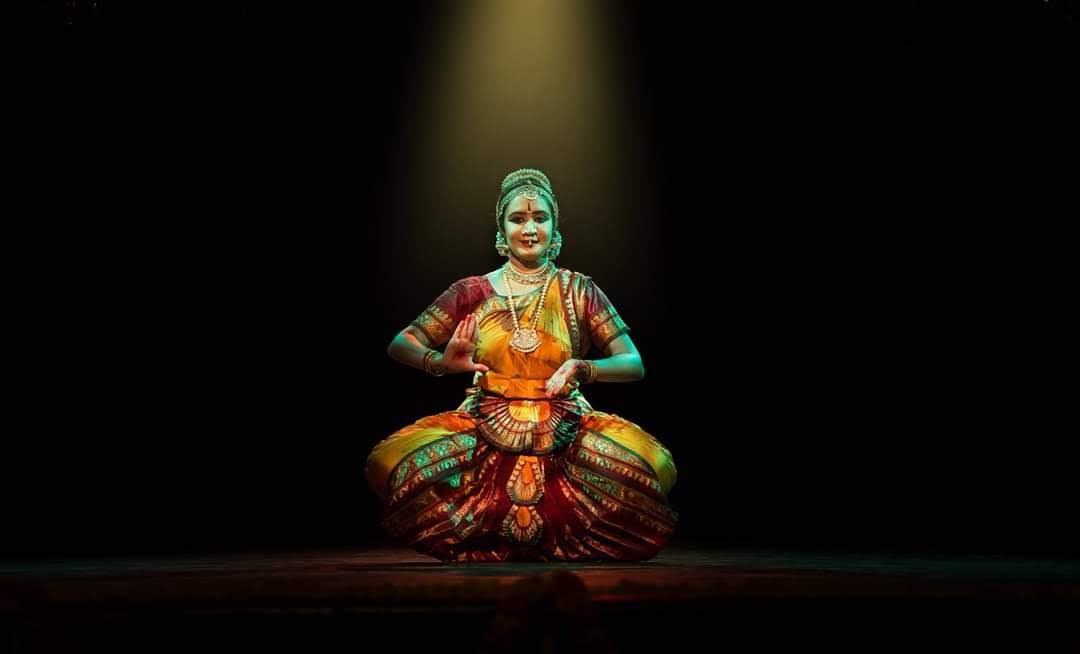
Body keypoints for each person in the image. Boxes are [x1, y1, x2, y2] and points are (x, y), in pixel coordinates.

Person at [366, 168, 677, 562]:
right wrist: (441, 363)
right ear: (502, 229)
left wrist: (582, 367)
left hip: (565, 425)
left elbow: (632, 363)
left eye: (540, 218)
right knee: (386, 463)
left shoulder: (579, 289)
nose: (530, 229)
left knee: (656, 465)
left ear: (555, 226)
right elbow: (402, 343)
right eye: (517, 219)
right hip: (485, 421)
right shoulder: (472, 291)